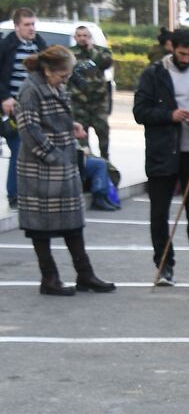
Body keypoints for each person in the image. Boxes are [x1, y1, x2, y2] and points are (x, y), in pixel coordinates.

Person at [12, 45, 115, 296]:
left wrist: (73, 126)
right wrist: (54, 156)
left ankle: (85, 274)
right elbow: (29, 130)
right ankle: (49, 278)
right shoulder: (30, 90)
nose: (65, 80)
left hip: (63, 165)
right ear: (47, 71)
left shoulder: (56, 85)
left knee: (73, 223)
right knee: (39, 226)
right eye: (62, 76)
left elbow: (56, 118)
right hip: (40, 169)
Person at [133, 27, 189, 285]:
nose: (186, 59)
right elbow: (140, 111)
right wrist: (169, 116)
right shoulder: (153, 73)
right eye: (182, 53)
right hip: (162, 153)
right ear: (172, 47)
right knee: (159, 213)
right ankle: (164, 266)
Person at [2, 8, 49, 204]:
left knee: (35, 150)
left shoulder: (39, 44)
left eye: (33, 24)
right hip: (12, 110)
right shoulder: (6, 45)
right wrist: (4, 97)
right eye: (27, 25)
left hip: (35, 108)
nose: (31, 29)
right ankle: (14, 194)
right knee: (18, 149)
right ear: (16, 26)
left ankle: (31, 193)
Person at [70, 26, 113, 160]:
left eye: (85, 35)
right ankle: (86, 160)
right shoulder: (69, 54)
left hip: (98, 102)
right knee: (82, 137)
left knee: (103, 133)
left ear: (90, 37)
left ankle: (105, 160)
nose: (82, 38)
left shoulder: (101, 51)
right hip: (79, 103)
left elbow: (106, 62)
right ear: (75, 38)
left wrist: (91, 50)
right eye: (79, 35)